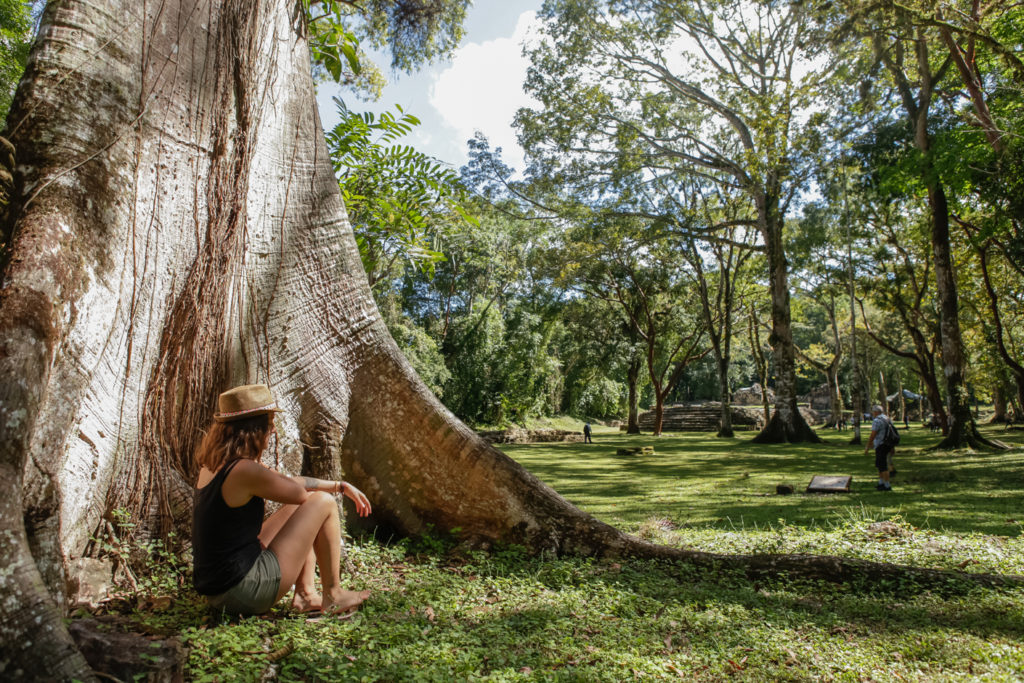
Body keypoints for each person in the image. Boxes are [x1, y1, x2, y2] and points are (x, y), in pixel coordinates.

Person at [192, 384, 373, 616]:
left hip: (220, 591)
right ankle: (334, 594)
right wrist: (331, 492)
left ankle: (306, 595)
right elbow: (297, 493)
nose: (274, 431)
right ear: (254, 430)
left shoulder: (215, 465)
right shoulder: (245, 470)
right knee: (323, 503)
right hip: (244, 592)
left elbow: (290, 483)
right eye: (269, 424)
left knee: (303, 505)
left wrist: (340, 486)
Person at [864, 405, 894, 491]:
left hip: (881, 445)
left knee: (883, 465)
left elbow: (873, 434)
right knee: (880, 465)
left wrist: (868, 446)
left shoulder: (877, 421)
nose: (872, 413)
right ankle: (881, 483)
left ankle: (887, 485)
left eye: (873, 412)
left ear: (876, 412)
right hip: (887, 444)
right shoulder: (887, 419)